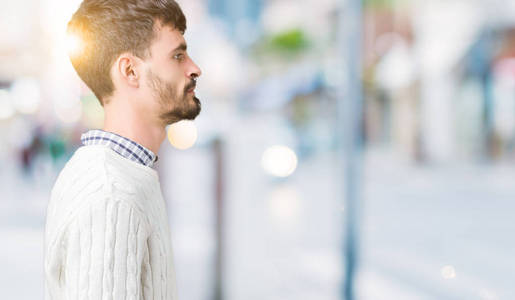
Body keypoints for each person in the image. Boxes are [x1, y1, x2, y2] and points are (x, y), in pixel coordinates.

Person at [44, 0, 202, 299]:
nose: (194, 69)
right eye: (177, 55)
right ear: (130, 71)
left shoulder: (122, 177)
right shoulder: (110, 195)